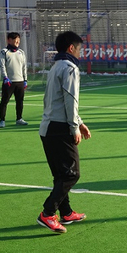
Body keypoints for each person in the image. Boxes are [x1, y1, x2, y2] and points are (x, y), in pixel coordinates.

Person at [36, 30, 90, 234]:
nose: (80, 53)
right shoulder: (70, 68)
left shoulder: (55, 67)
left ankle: (66, 212)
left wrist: (79, 122)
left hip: (48, 126)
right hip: (60, 128)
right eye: (79, 49)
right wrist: (74, 127)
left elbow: (57, 99)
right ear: (71, 48)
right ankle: (48, 213)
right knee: (71, 174)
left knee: (60, 174)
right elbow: (70, 99)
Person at [0, 32, 28, 128]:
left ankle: (19, 118)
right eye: (15, 39)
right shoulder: (4, 52)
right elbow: (2, 66)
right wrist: (5, 77)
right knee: (4, 101)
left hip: (20, 81)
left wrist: (25, 79)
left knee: (20, 101)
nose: (17, 41)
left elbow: (24, 67)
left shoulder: (21, 52)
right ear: (9, 40)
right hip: (9, 82)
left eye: (18, 39)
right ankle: (2, 120)